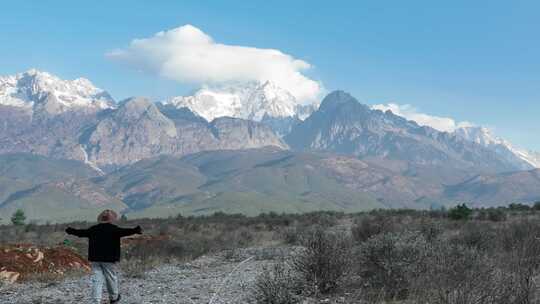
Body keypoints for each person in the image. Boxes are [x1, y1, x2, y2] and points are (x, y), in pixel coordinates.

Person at [66, 210, 142, 304]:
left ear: (101, 219)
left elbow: (81, 233)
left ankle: (96, 300)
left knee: (96, 279)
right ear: (111, 219)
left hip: (95, 259)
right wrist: (136, 230)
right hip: (110, 259)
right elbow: (126, 231)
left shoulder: (93, 229)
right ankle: (114, 298)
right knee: (111, 277)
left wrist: (70, 230)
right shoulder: (114, 229)